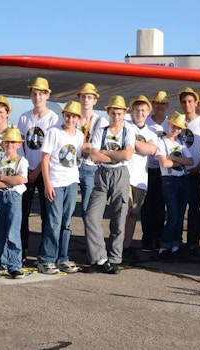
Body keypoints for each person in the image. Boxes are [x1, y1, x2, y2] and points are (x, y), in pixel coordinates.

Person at [84, 95, 136, 274]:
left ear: (124, 114)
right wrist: (116, 153)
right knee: (91, 216)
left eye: (120, 114)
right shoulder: (101, 130)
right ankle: (99, 257)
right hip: (103, 173)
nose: (117, 117)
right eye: (113, 113)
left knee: (119, 217)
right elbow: (94, 156)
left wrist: (105, 152)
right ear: (108, 113)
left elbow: (127, 156)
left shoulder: (128, 130)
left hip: (120, 173)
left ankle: (115, 258)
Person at [37, 101, 84, 274]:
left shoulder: (79, 135)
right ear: (63, 116)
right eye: (67, 115)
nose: (70, 119)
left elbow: (76, 157)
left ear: (78, 119)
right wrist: (47, 183)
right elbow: (45, 159)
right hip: (56, 182)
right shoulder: (53, 133)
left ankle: (62, 257)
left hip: (71, 182)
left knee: (66, 222)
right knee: (54, 221)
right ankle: (46, 258)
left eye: (73, 116)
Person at [17, 77, 59, 261]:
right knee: (22, 213)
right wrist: (25, 169)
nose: (38, 97)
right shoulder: (24, 117)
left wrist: (38, 171)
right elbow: (20, 146)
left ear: (48, 95)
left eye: (41, 93)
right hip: (26, 171)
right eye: (34, 94)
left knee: (46, 214)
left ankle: (44, 251)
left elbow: (51, 150)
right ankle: (22, 249)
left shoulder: (54, 119)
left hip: (45, 173)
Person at [0, 126, 29, 279]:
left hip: (14, 198)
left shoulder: (22, 161)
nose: (9, 145)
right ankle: (2, 262)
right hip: (0, 197)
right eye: (7, 142)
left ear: (19, 144)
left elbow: (21, 179)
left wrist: (3, 178)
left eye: (13, 142)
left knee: (13, 232)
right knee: (0, 231)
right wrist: (11, 181)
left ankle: (14, 265)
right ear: (2, 144)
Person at [177, 87, 200, 259]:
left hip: (194, 173)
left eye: (190, 101)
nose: (187, 105)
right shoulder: (177, 121)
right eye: (184, 102)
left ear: (196, 104)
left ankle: (193, 243)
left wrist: (199, 167)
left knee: (193, 210)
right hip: (177, 172)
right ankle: (176, 242)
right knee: (177, 209)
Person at [123, 95, 157, 262]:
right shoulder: (126, 126)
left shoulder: (150, 132)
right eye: (137, 110)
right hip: (125, 175)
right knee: (124, 211)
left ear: (148, 112)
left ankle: (126, 247)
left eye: (143, 110)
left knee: (134, 214)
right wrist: (142, 146)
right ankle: (117, 246)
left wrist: (133, 142)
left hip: (141, 178)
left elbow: (151, 150)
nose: (140, 113)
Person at [155, 111, 193, 262]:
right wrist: (178, 161)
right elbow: (164, 163)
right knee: (173, 214)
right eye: (173, 126)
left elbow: (191, 161)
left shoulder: (181, 143)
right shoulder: (161, 142)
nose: (175, 130)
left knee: (180, 213)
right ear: (168, 124)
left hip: (182, 179)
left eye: (178, 128)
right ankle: (165, 245)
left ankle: (176, 244)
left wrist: (172, 158)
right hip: (169, 179)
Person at [141, 91, 170, 252]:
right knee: (147, 206)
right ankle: (147, 239)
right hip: (147, 169)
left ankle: (158, 238)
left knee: (160, 206)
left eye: (163, 103)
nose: (160, 106)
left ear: (167, 106)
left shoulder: (169, 123)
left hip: (163, 170)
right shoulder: (146, 123)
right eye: (157, 103)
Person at [76, 83, 107, 220]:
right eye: (83, 97)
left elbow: (98, 149)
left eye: (89, 97)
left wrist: (78, 147)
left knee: (88, 211)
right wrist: (86, 147)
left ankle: (89, 241)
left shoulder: (101, 121)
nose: (86, 100)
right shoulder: (73, 118)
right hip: (72, 167)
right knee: (67, 210)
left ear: (95, 100)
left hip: (91, 169)